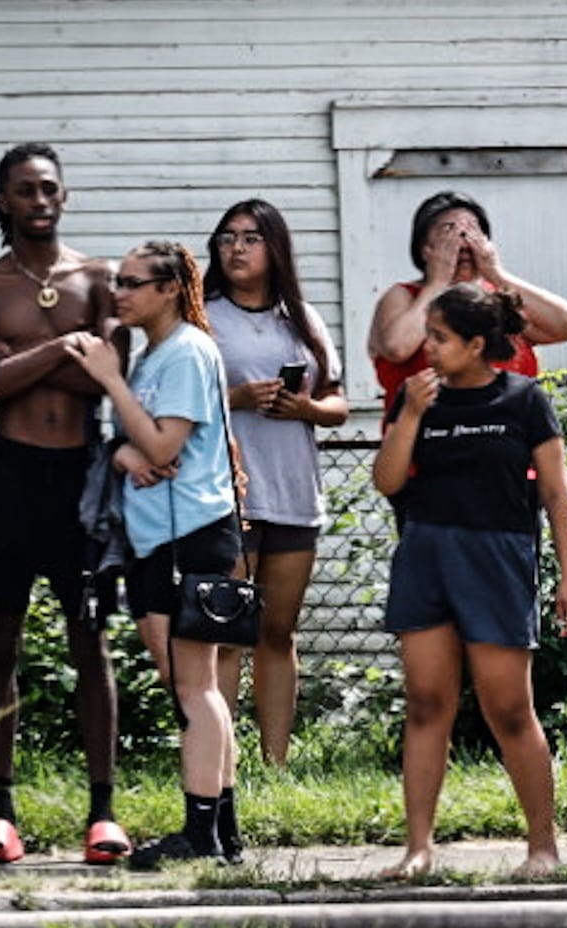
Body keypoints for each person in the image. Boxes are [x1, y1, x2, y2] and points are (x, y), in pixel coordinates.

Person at [0, 142, 129, 865]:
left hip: (82, 476)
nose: (39, 200)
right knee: (1, 638)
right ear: (2, 201)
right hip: (13, 473)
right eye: (24, 190)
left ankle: (103, 812)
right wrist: (63, 351)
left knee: (91, 639)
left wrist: (18, 362)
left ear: (66, 196)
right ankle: (0, 811)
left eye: (49, 188)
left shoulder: (100, 279)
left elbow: (109, 381)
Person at [372, 282, 567, 879]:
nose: (427, 348)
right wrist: (411, 412)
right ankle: (418, 849)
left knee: (511, 709)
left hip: (499, 557)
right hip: (426, 555)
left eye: (438, 338)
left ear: (474, 343)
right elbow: (387, 481)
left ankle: (542, 847)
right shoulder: (416, 397)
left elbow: (555, 493)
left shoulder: (523, 400)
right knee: (425, 704)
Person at [66, 241, 243, 869]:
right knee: (189, 685)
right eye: (118, 281)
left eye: (134, 282)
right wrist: (121, 453)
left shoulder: (189, 352)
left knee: (195, 688)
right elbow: (139, 443)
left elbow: (165, 445)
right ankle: (222, 833)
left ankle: (203, 834)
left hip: (189, 532)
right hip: (158, 537)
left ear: (171, 288)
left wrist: (109, 379)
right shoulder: (156, 355)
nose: (121, 292)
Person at [203, 198, 349, 765]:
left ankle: (276, 762)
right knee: (228, 629)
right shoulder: (204, 316)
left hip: (293, 492)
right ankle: (218, 765)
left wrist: (307, 408)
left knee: (278, 631)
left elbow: (339, 402)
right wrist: (238, 398)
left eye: (250, 238)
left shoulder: (302, 319)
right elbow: (173, 399)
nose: (236, 248)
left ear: (275, 249)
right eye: (226, 237)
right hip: (227, 492)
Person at [367, 190, 567, 417]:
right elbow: (396, 347)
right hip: (428, 441)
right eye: (449, 230)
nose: (464, 241)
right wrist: (437, 282)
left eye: (472, 230)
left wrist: (496, 274)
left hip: (507, 436)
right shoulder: (404, 296)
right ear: (425, 249)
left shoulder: (499, 299)